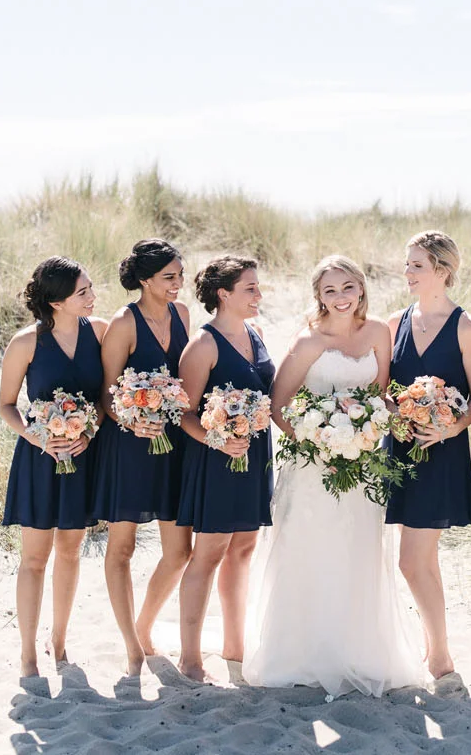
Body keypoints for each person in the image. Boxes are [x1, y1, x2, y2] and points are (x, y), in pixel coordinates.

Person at [244, 255, 424, 696]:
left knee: (357, 551)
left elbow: (381, 397)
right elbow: (279, 405)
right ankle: (302, 653)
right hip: (310, 468)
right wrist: (316, 441)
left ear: (361, 288)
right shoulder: (308, 341)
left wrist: (366, 434)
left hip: (362, 466)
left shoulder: (379, 331)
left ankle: (358, 653)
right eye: (330, 290)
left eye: (348, 288)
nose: (341, 298)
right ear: (318, 296)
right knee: (311, 551)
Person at [386, 232, 471, 682]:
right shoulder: (394, 323)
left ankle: (441, 652)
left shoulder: (466, 328)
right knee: (421, 560)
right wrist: (394, 413)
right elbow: (383, 390)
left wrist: (450, 426)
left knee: (413, 560)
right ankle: (436, 649)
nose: (407, 273)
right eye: (407, 265)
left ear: (442, 271)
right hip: (400, 452)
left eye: (417, 266)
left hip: (441, 455)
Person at [0, 258, 105, 676]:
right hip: (39, 459)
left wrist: (89, 431)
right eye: (83, 292)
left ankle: (58, 641)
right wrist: (37, 436)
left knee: (72, 551)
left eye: (91, 288)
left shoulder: (98, 332)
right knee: (34, 558)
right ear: (57, 300)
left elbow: (104, 396)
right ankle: (27, 652)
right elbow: (6, 406)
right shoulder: (26, 342)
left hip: (82, 454)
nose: (92, 297)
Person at [93, 239, 192, 673]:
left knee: (179, 552)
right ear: (146, 279)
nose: (178, 284)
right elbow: (106, 394)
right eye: (170, 277)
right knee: (122, 548)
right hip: (129, 447)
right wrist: (132, 421)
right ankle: (133, 645)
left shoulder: (183, 314)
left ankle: (144, 624)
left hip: (175, 447)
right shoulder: (124, 323)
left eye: (180, 275)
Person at [175, 256, 274, 681]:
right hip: (216, 460)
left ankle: (234, 647)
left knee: (244, 550)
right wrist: (219, 438)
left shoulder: (257, 333)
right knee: (209, 553)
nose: (258, 294)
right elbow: (183, 414)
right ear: (224, 294)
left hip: (254, 457)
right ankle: (190, 657)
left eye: (257, 287)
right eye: (249, 288)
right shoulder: (203, 345)